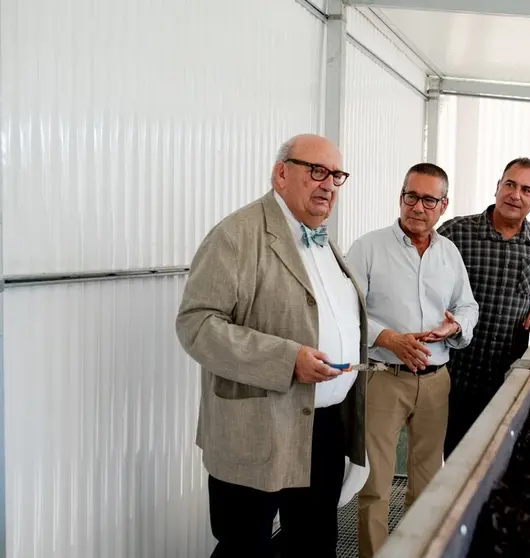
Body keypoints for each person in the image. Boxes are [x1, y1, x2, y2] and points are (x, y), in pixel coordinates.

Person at [175, 133, 368, 558]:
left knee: (313, 543)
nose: (329, 184)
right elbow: (197, 325)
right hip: (258, 427)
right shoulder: (236, 236)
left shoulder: (322, 240)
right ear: (282, 173)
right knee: (245, 545)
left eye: (336, 175)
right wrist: (287, 359)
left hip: (324, 427)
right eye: (316, 171)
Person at [346, 163, 479, 558]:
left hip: (436, 381)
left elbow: (468, 306)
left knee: (427, 482)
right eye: (411, 196)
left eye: (428, 200)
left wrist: (454, 328)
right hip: (384, 378)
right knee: (376, 484)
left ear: (443, 205)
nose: (417, 207)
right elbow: (347, 309)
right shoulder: (368, 247)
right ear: (400, 196)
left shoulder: (449, 253)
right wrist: (388, 338)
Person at [438, 157, 530, 458]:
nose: (515, 194)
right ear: (497, 187)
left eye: (526, 190)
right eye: (510, 184)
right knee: (451, 461)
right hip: (452, 374)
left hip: (506, 379)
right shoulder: (455, 233)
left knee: (495, 462)